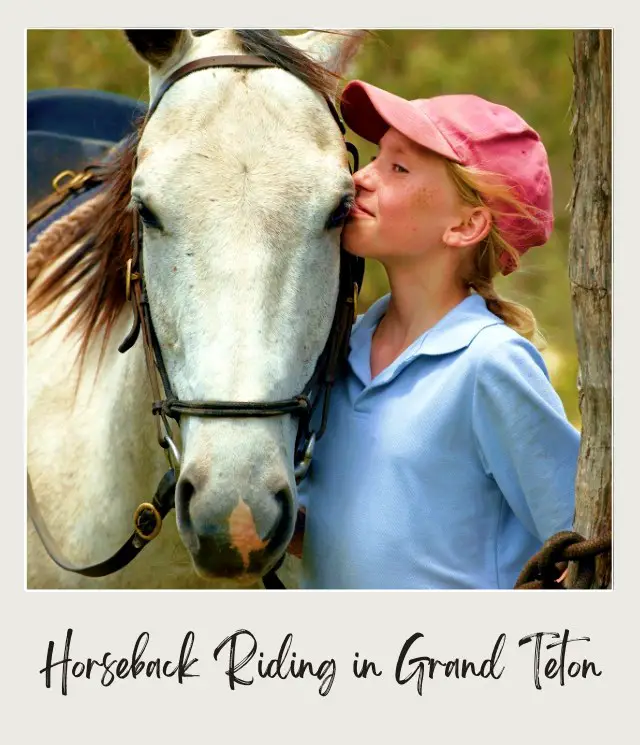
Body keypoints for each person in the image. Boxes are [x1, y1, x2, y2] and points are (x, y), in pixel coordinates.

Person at [294, 80, 580, 590]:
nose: (360, 178)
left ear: (467, 225)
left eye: (398, 168)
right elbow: (348, 536)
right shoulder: (341, 351)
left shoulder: (490, 364)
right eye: (377, 158)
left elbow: (582, 545)